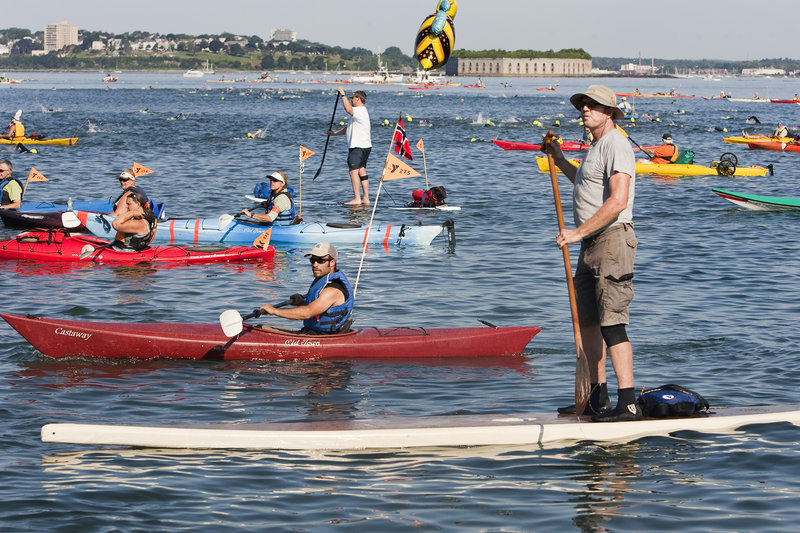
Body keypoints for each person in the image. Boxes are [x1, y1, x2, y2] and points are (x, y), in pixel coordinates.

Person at [541, 84, 640, 423]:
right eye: (583, 104)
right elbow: (585, 184)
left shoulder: (617, 144)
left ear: (608, 112)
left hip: (612, 241)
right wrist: (559, 160)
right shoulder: (596, 147)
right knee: (589, 324)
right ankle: (597, 399)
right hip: (588, 244)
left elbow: (617, 201)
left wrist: (577, 232)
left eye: (593, 105)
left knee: (612, 324)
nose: (584, 109)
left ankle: (628, 404)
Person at [259, 242, 354, 334]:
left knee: (261, 331)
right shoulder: (324, 283)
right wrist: (301, 303)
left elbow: (307, 313)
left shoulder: (332, 291)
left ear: (332, 262)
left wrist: (274, 311)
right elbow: (320, 309)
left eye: (321, 260)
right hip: (310, 332)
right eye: (312, 260)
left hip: (322, 338)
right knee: (259, 328)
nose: (315, 264)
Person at [328, 88, 371, 205]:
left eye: (353, 99)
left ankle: (357, 198)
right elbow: (349, 128)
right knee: (362, 170)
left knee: (353, 171)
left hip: (357, 146)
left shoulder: (359, 110)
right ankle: (366, 198)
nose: (352, 101)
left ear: (358, 99)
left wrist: (343, 94)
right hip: (365, 146)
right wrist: (335, 133)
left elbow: (348, 109)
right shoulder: (360, 112)